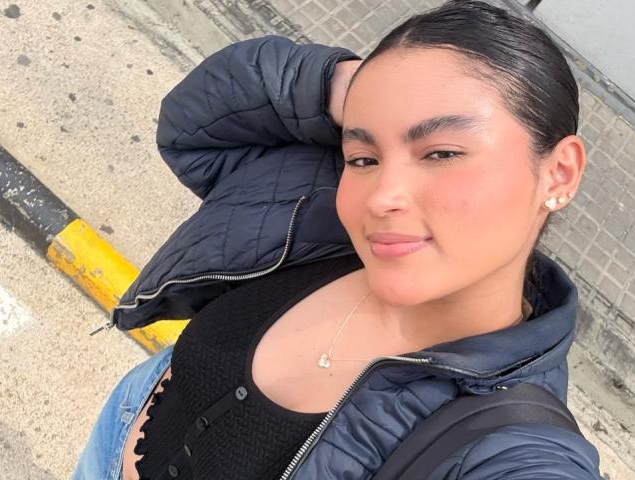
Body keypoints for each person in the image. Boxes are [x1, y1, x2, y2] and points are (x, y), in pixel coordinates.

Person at [74, 1, 604, 478]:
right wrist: (349, 85)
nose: (380, 197)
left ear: (558, 173)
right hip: (119, 434)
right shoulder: (324, 216)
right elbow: (195, 128)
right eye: (364, 157)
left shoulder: (512, 442)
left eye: (442, 153)